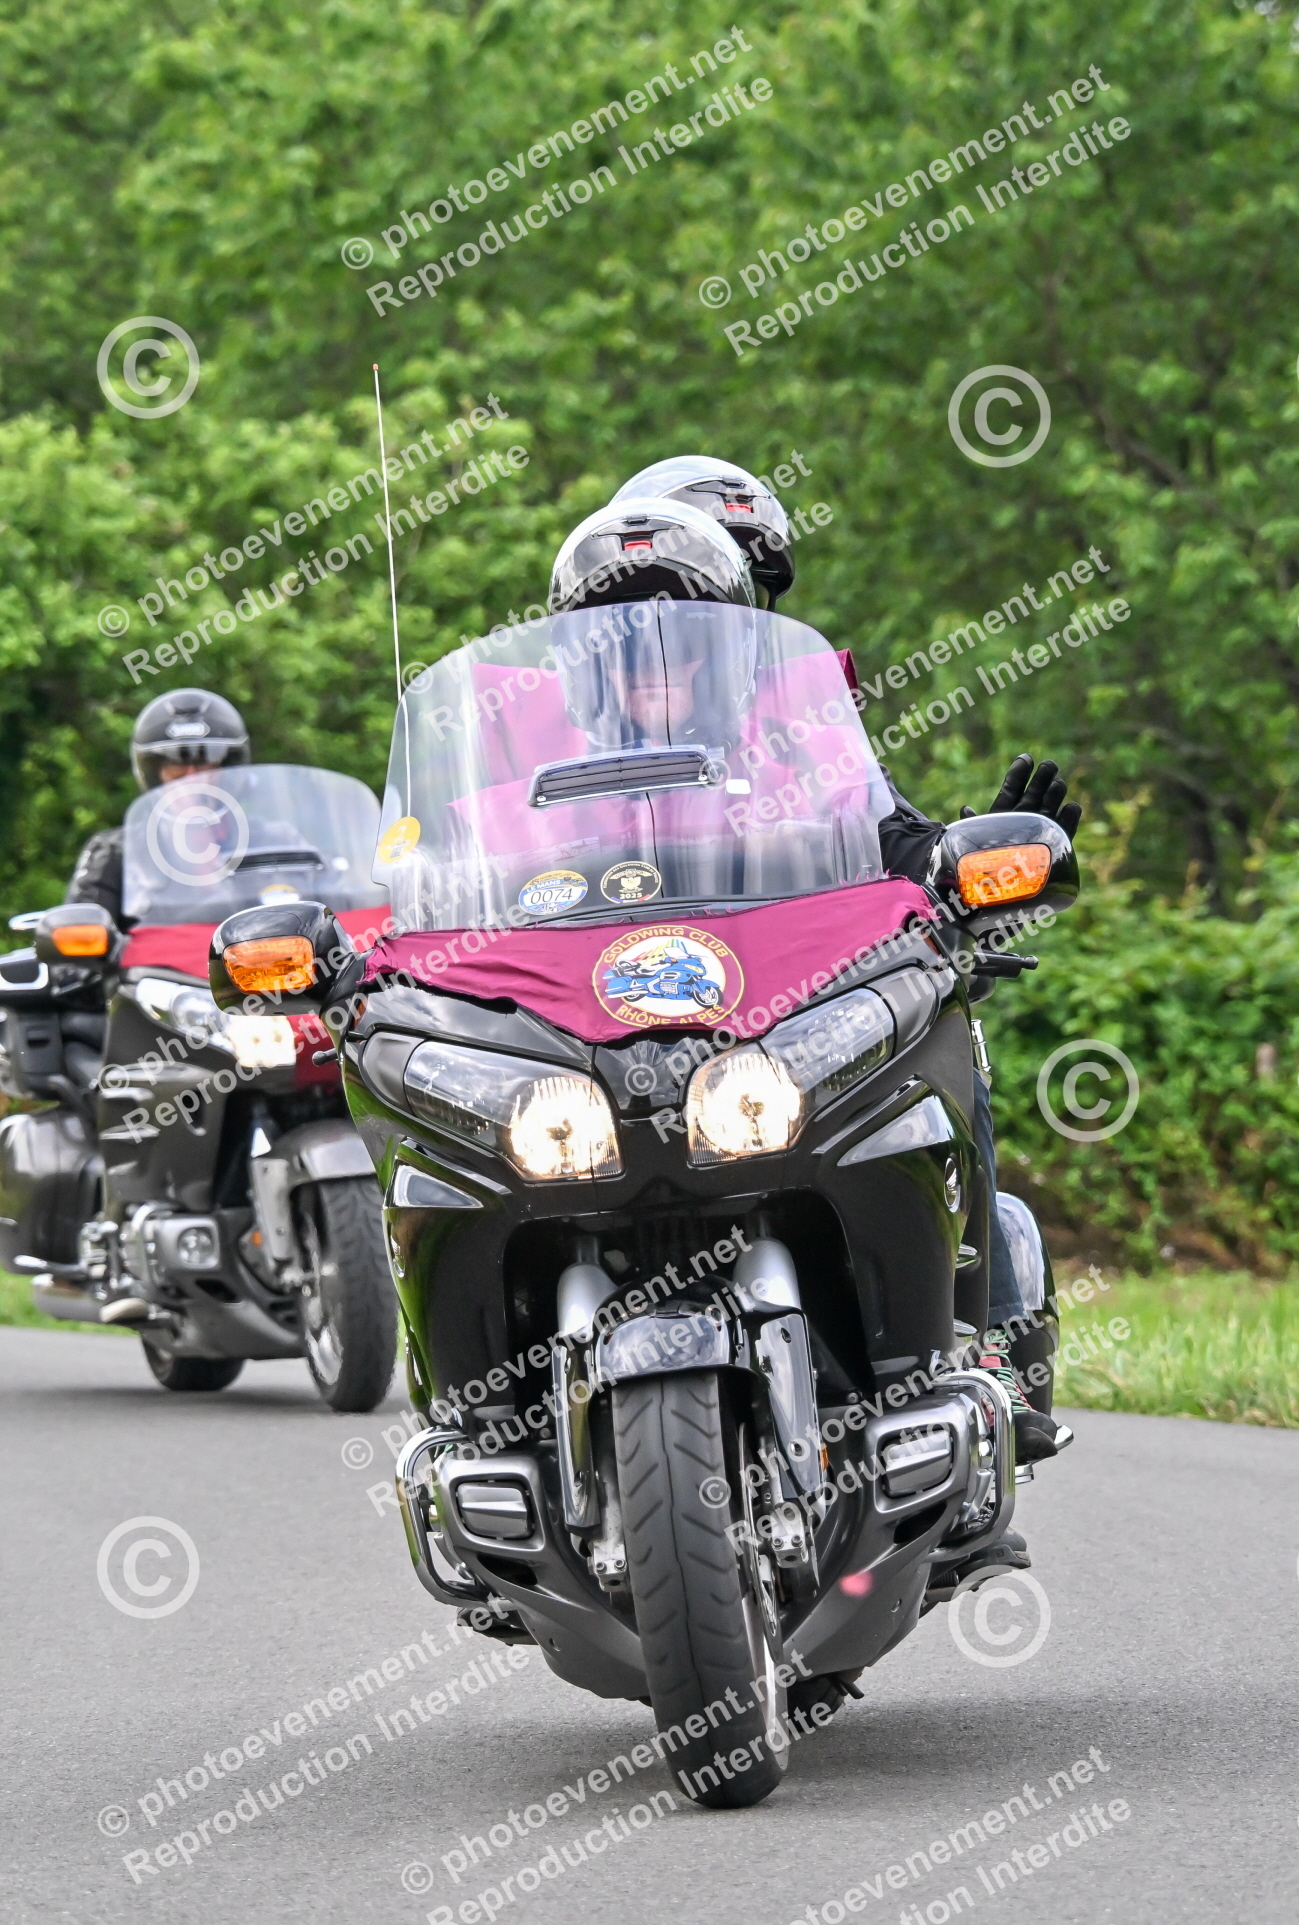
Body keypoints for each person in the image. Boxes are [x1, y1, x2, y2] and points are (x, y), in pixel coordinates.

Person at [592, 460, 1077, 1464]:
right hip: (608, 1032)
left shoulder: (804, 728)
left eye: (738, 596)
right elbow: (453, 879)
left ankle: (981, 1340)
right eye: (650, 614)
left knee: (954, 1037)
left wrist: (960, 860)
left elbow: (889, 837)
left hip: (791, 1010)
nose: (686, 637)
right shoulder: (546, 754)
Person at [64, 690, 251, 927]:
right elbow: (80, 934)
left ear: (227, 770)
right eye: (177, 767)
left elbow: (296, 912)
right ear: (155, 774)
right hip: (156, 953)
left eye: (204, 764)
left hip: (250, 952)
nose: (192, 779)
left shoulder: (272, 841)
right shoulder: (116, 853)